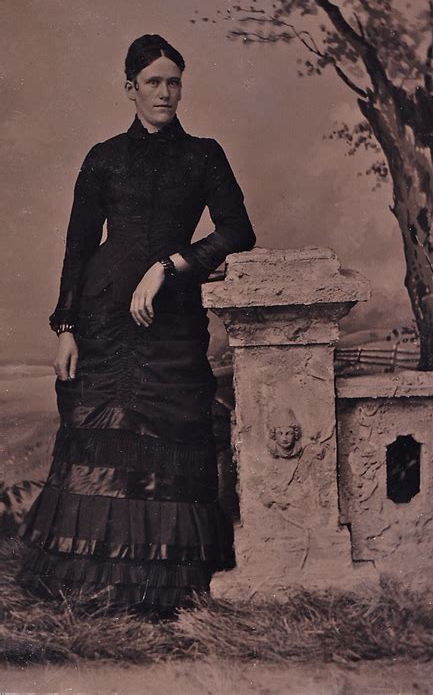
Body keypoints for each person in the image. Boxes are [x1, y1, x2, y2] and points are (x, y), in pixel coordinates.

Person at [17, 34, 256, 614]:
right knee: (101, 440)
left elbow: (237, 231)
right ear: (130, 88)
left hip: (170, 319)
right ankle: (91, 586)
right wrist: (65, 327)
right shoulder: (103, 156)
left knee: (168, 437)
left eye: (174, 81)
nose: (165, 92)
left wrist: (172, 265)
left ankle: (161, 588)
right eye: (153, 81)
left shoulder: (204, 153)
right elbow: (78, 246)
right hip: (101, 323)